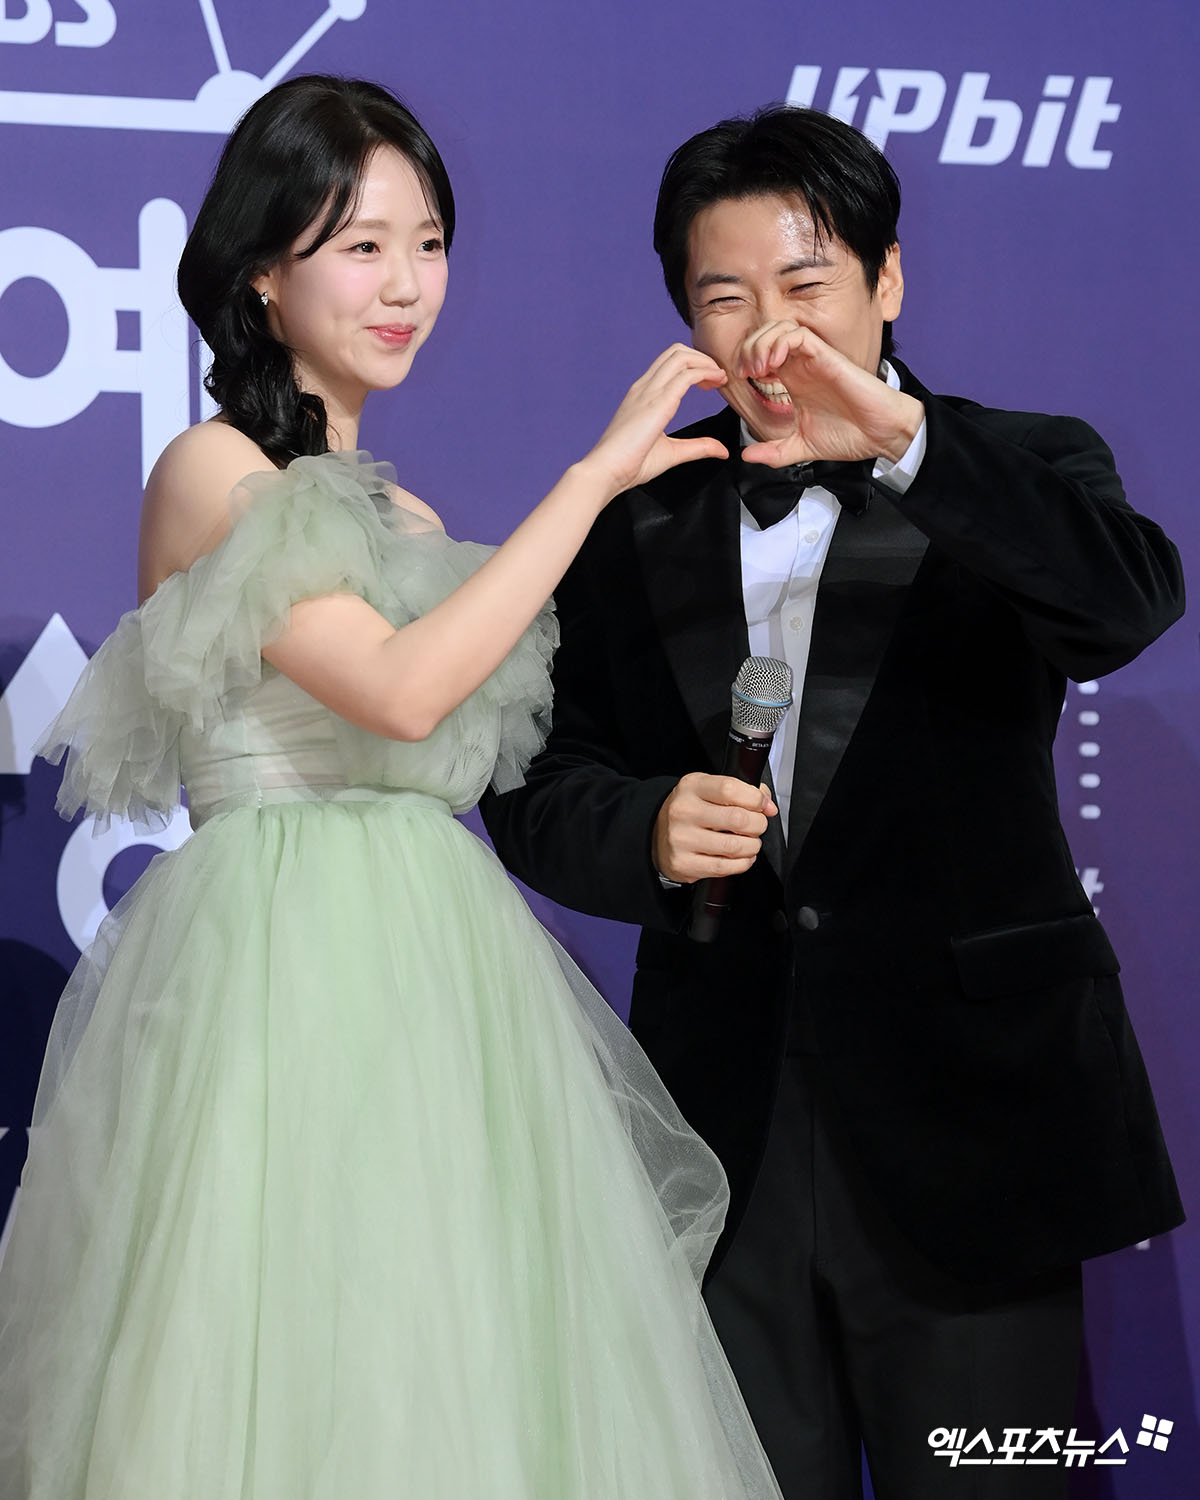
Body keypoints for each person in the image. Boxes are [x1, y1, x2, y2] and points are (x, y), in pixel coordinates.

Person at [0, 76, 788, 1500]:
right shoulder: (211, 470)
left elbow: (460, 731)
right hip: (278, 977)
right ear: (263, 268)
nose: (407, 285)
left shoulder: (410, 518)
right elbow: (402, 690)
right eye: (361, 245)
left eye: (427, 243)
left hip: (446, 981)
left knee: (459, 1368)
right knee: (288, 1359)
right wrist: (595, 478)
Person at [481, 105, 1186, 1499]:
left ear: (888, 279)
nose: (770, 336)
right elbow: (530, 779)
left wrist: (904, 441)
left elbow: (1124, 603)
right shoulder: (638, 510)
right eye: (725, 298)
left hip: (973, 1143)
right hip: (721, 1143)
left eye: (805, 286)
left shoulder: (1021, 464)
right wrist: (647, 832)